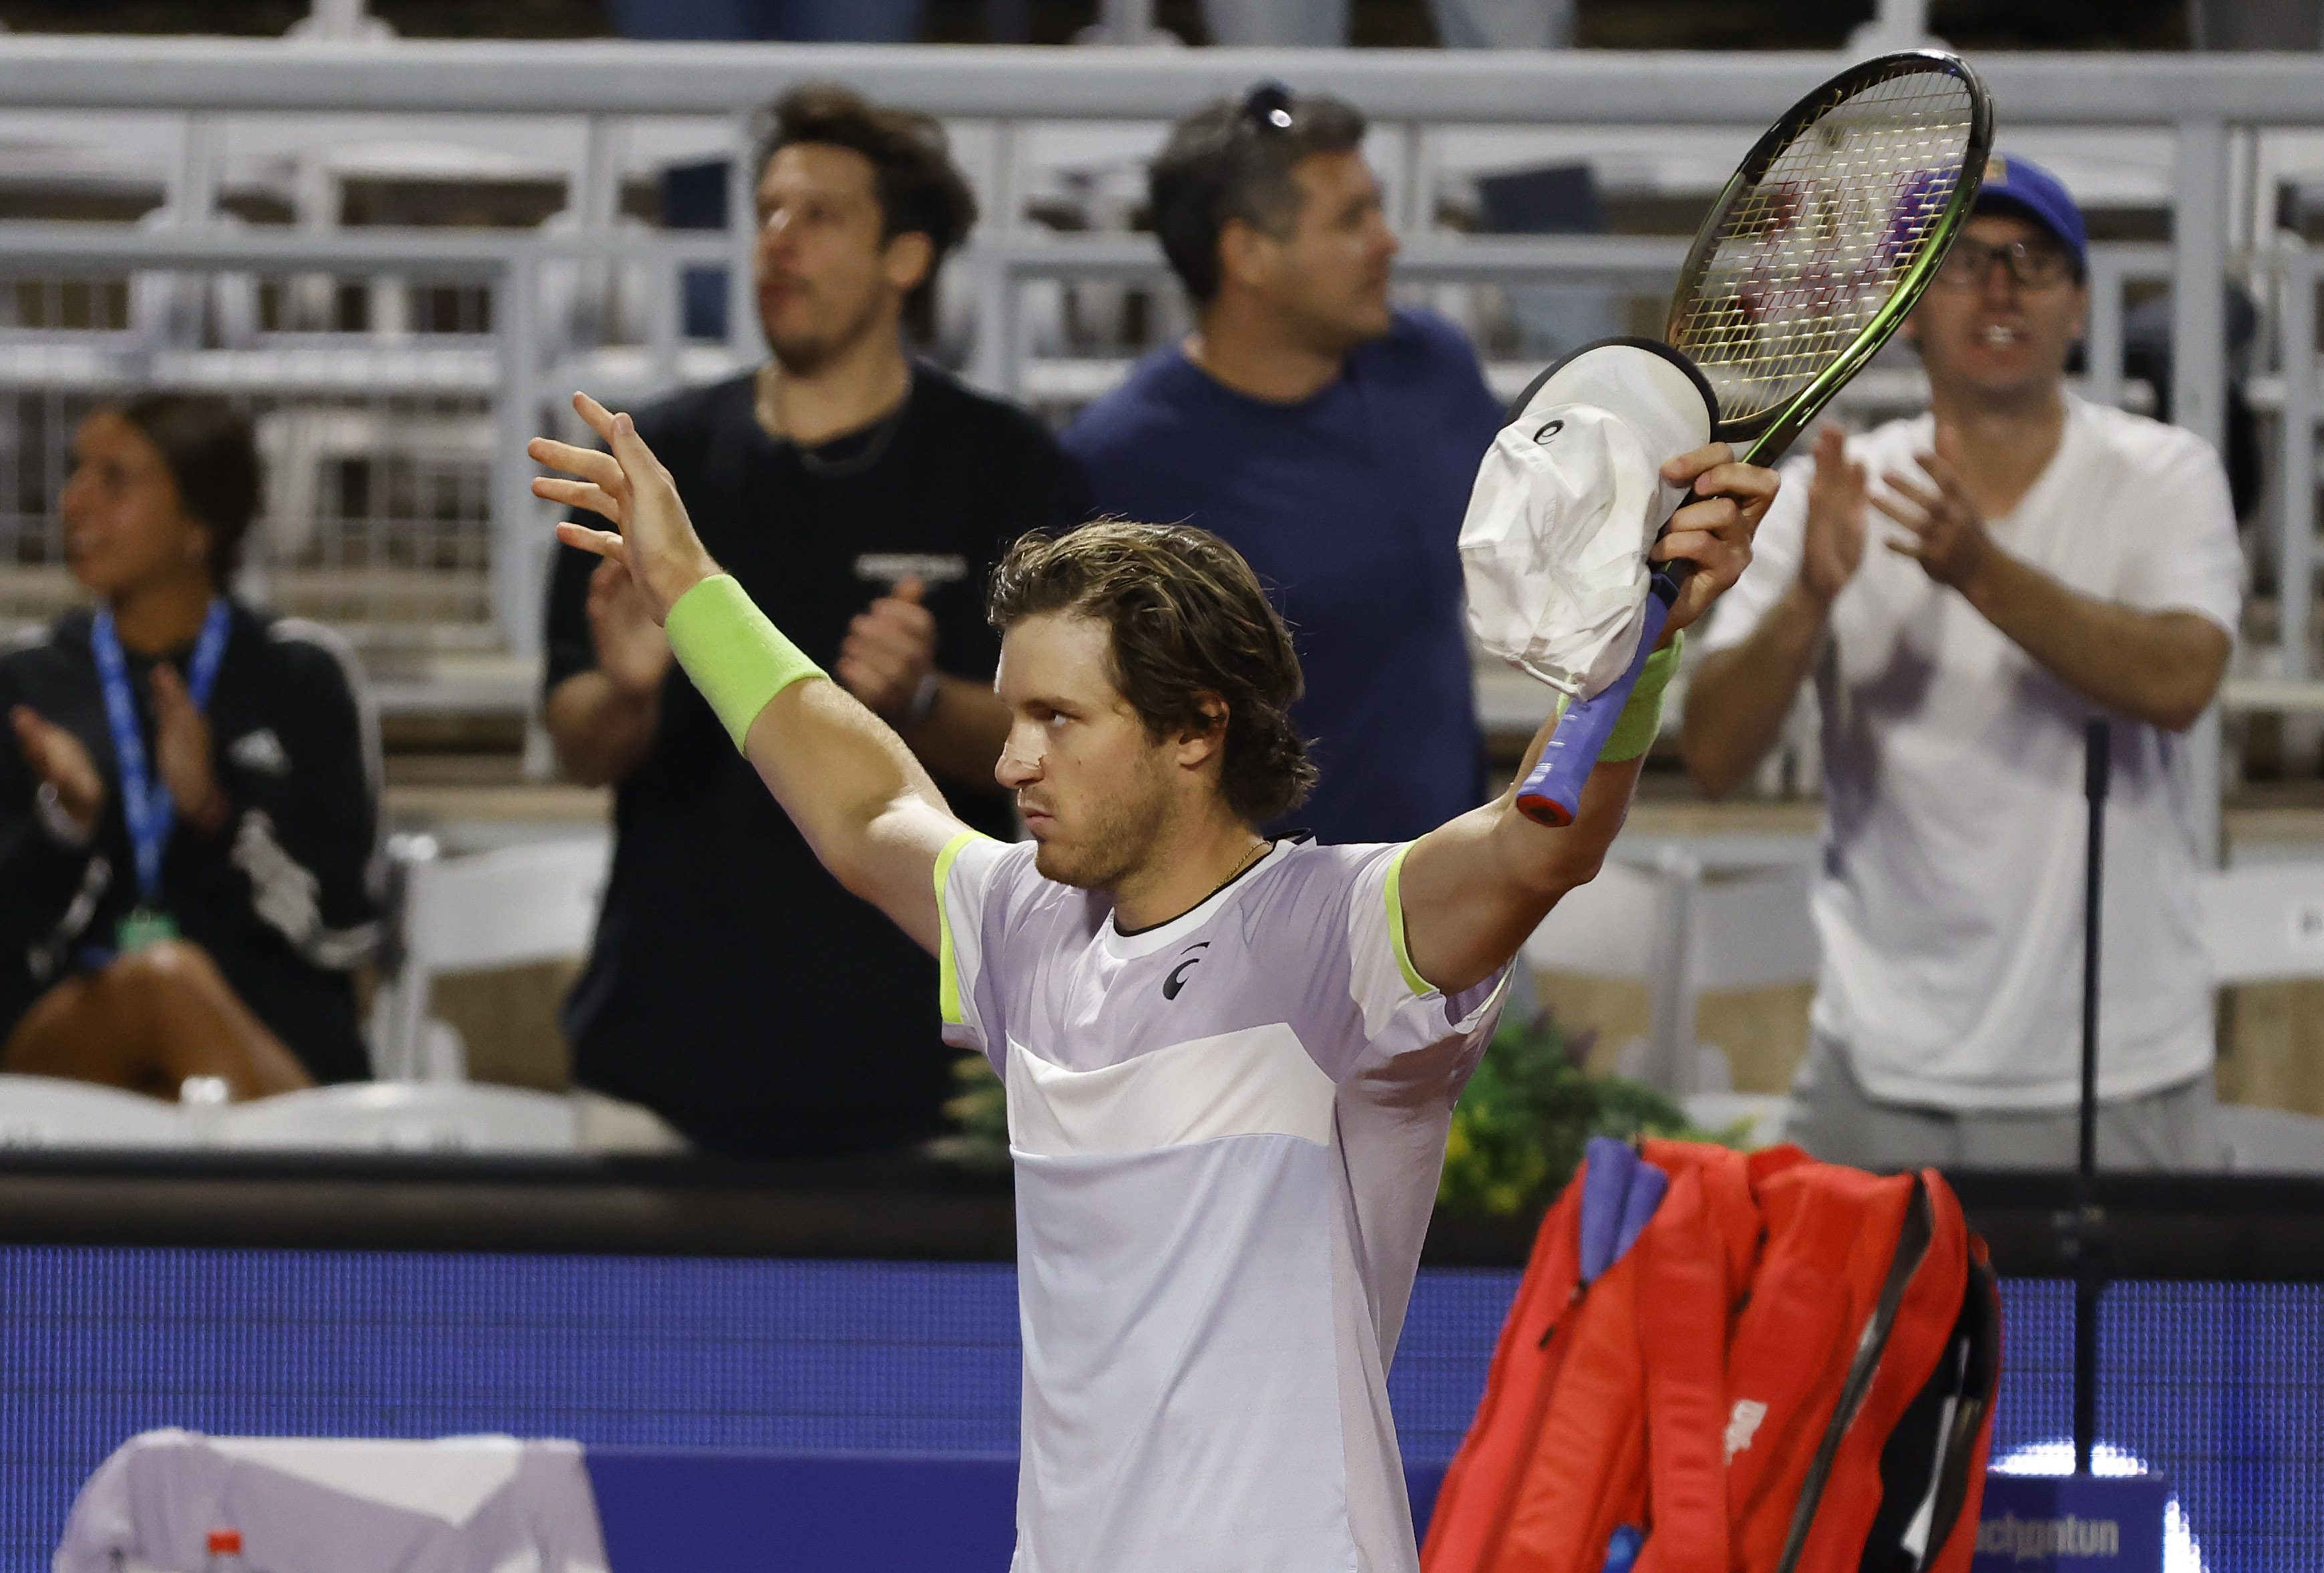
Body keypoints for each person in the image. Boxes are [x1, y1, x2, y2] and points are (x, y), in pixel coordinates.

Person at [531, 385, 1773, 1572]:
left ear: (1195, 727)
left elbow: (1540, 836)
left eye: (1061, 718)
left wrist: (1641, 644)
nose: (1012, 757)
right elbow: (865, 810)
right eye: (1015, 714)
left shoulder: (1339, 935)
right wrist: (688, 581)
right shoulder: (1023, 926)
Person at [542, 83, 1091, 1157]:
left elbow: (1073, 744)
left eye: (821, 216)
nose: (778, 245)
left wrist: (926, 704)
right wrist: (626, 690)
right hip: (665, 1071)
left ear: (906, 258)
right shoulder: (655, 467)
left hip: (927, 1075)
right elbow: (574, 742)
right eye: (768, 214)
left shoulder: (1007, 470)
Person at [1681, 154, 2242, 1171]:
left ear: (2075, 306)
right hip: (1874, 1062)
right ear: (1902, 307)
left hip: (2113, 1065)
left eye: (2031, 262)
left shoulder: (2163, 474)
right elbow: (1714, 757)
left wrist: (1980, 571)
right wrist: (1808, 598)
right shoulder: (1825, 496)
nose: (1997, 287)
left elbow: (2180, 680)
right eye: (1960, 261)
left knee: (2137, 1339)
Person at [1061, 84, 1501, 847]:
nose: (1387, 242)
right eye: (1351, 219)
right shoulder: (1120, 464)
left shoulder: (1432, 367)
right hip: (1247, 931)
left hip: (1461, 895)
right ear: (1247, 254)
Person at [1, 394, 381, 1098]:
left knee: (173, 985)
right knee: (158, 982)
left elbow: (347, 927)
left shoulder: (300, 675)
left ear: (198, 522)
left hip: (269, 1026)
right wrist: (66, 826)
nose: (73, 503)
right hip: (71, 1041)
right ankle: (315, 1207)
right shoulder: (28, 681)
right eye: (75, 473)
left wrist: (213, 812)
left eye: (114, 480)